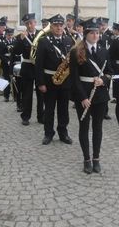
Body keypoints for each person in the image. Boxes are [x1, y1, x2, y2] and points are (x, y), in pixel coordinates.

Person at [69, 18, 113, 174]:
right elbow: (74, 78)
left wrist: (104, 80)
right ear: (86, 33)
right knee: (84, 127)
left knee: (98, 128)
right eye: (92, 33)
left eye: (97, 33)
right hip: (84, 95)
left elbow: (110, 72)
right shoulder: (76, 51)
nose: (96, 35)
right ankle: (86, 159)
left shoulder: (103, 50)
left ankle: (96, 159)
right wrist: (82, 97)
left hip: (100, 94)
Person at [35, 14, 74, 145]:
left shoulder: (69, 40)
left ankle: (63, 132)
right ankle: (48, 133)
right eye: (56, 25)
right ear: (51, 27)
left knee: (64, 109)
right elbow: (38, 64)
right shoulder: (44, 41)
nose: (58, 28)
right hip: (49, 80)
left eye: (60, 25)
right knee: (49, 109)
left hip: (65, 81)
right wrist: (40, 83)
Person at [13, 13, 44, 125]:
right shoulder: (21, 36)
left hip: (39, 67)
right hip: (27, 66)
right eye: (28, 23)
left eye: (32, 22)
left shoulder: (41, 35)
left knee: (41, 93)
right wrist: (20, 40)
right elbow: (16, 52)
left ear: (35, 23)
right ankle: (25, 117)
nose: (30, 25)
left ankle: (41, 116)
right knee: (27, 93)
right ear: (25, 25)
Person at [0, 28, 15, 102]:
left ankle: (15, 95)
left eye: (11, 35)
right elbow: (0, 55)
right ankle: (6, 96)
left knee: (15, 80)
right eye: (9, 35)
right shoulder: (2, 43)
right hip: (6, 64)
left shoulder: (15, 42)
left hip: (14, 63)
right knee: (7, 80)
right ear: (6, 35)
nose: (10, 36)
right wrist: (7, 61)